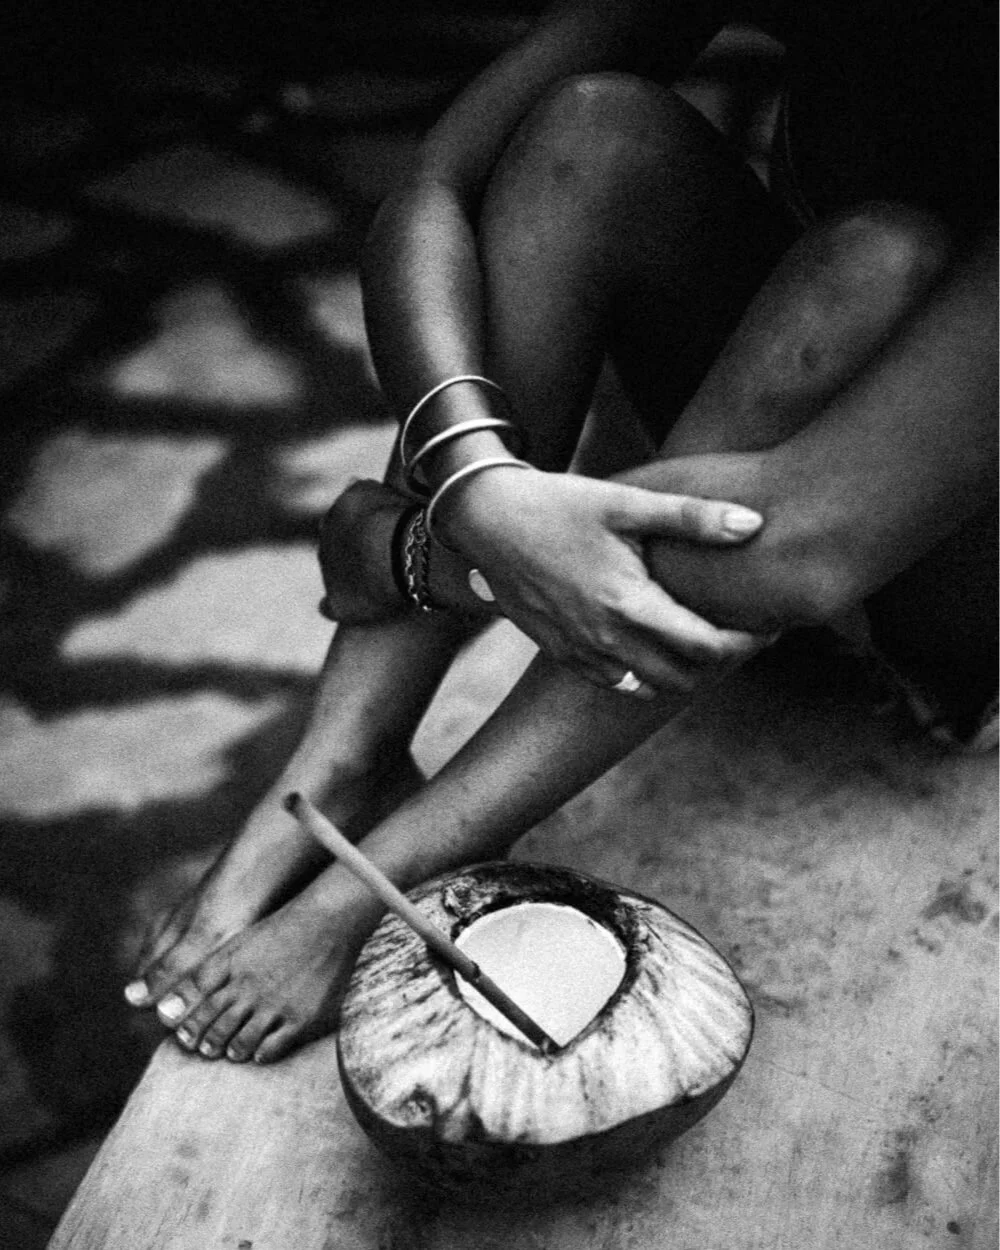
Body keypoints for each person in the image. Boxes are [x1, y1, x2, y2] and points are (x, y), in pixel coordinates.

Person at [124, 0, 996, 1064]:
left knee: (875, 256)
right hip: (787, 455)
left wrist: (419, 552)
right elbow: (434, 189)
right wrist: (479, 486)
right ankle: (337, 764)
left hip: (946, 598)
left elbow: (804, 550)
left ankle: (389, 870)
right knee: (591, 136)